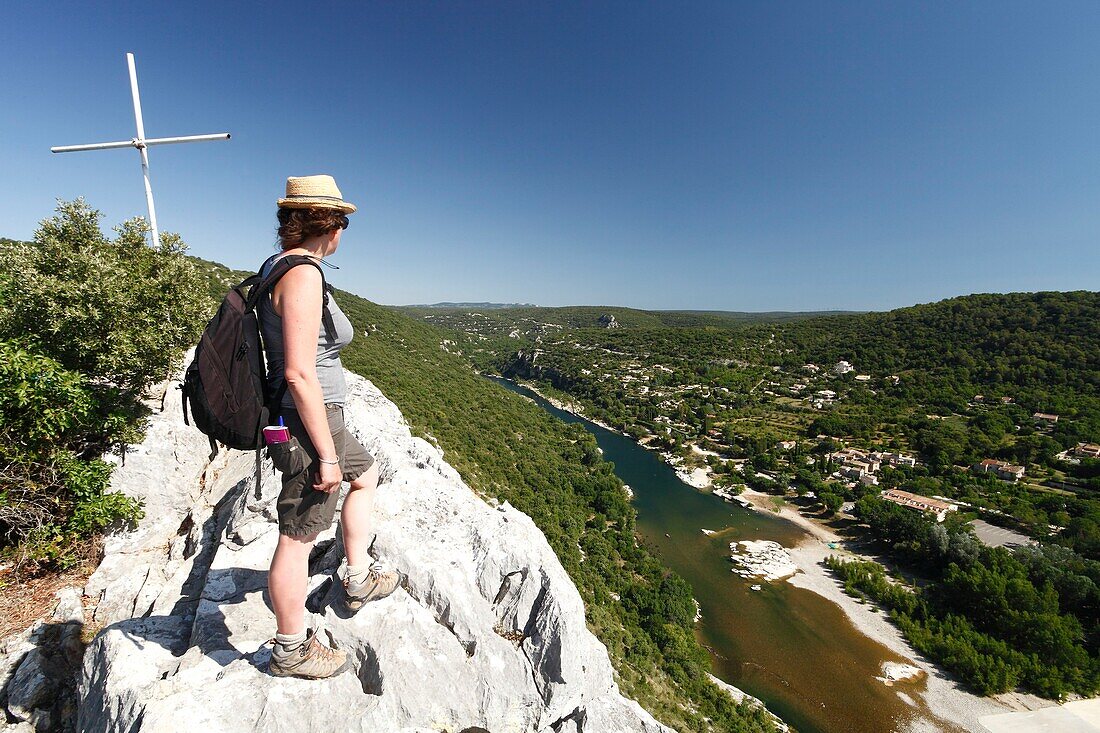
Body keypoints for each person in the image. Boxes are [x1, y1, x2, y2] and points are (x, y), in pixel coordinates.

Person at [259, 175, 404, 679]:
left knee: (366, 473)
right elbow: (299, 372)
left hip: (316, 417)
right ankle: (290, 647)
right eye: (342, 221)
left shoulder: (277, 267)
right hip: (308, 422)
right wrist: (324, 455)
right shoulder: (301, 275)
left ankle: (357, 575)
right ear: (332, 225)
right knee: (298, 535)